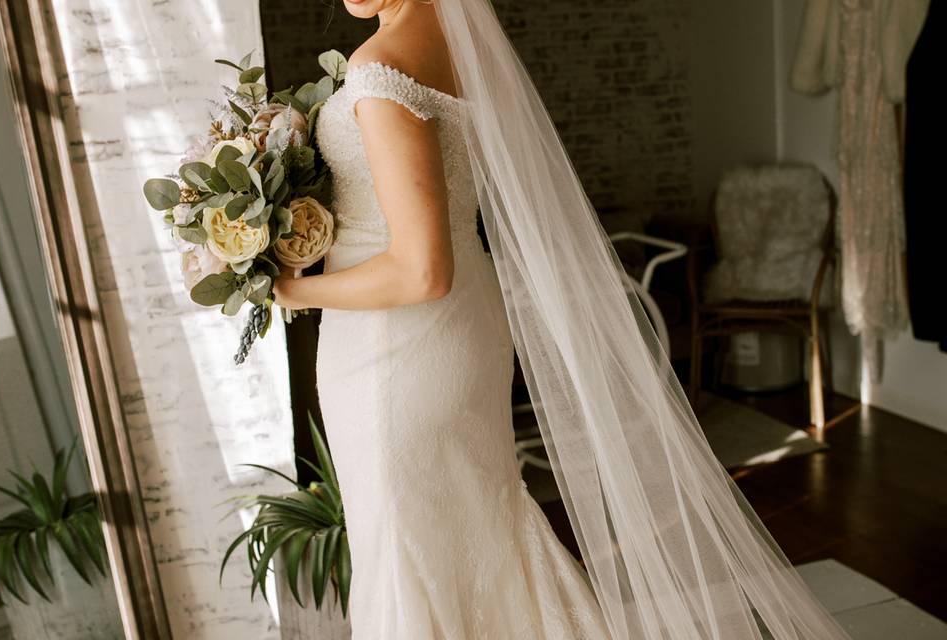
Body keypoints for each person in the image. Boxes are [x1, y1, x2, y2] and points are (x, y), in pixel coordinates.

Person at [272, 1, 853, 638]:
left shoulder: (381, 64)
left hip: (396, 346)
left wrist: (291, 292)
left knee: (403, 534)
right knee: (483, 525)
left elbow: (419, 270)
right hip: (462, 328)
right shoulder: (462, 50)